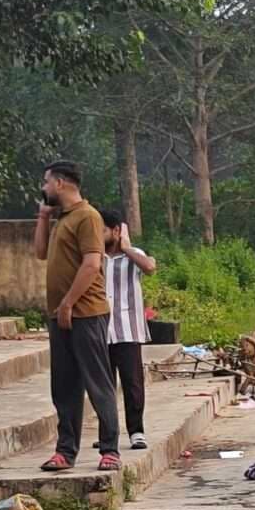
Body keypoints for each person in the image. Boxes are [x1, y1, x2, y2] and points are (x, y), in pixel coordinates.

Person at [30, 161, 116, 472]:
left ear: (61, 183)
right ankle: (65, 451)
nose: (44, 188)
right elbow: (40, 253)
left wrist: (68, 303)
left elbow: (92, 264)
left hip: (85, 313)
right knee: (64, 386)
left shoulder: (88, 217)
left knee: (97, 382)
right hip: (60, 314)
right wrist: (43, 217)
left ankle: (110, 450)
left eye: (46, 182)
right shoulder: (61, 219)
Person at [101, 210, 156, 450]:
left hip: (128, 330)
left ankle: (136, 431)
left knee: (132, 383)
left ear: (115, 231)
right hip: (100, 329)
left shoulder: (134, 256)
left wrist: (126, 248)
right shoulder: (95, 258)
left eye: (103, 230)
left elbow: (150, 268)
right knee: (103, 385)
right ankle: (108, 432)